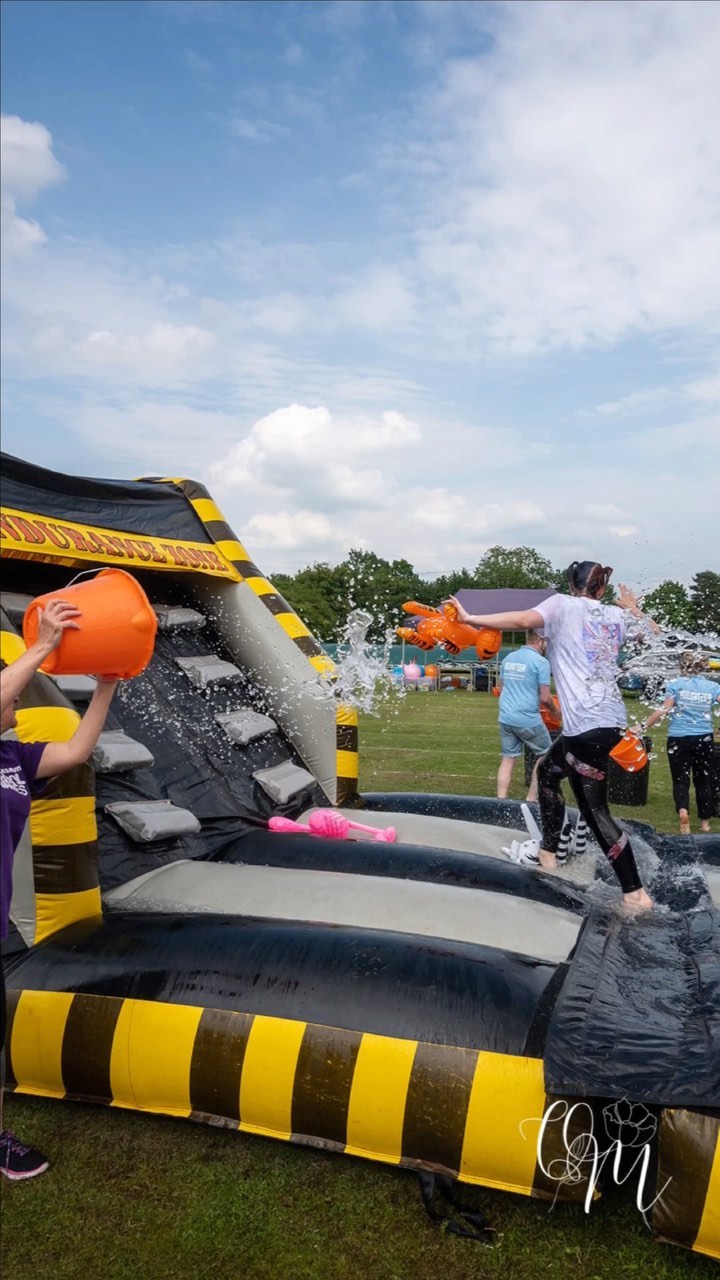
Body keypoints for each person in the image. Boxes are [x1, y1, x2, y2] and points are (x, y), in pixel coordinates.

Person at [448, 561, 658, 912]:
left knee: (596, 812)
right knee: (548, 771)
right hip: (608, 722)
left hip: (586, 728)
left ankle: (635, 894)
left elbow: (521, 620)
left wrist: (471, 620)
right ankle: (548, 852)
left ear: (571, 583)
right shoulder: (612, 615)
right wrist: (632, 609)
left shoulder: (563, 604)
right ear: (602, 589)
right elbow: (653, 634)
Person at [1, 599, 118, 1179]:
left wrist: (104, 687)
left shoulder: (14, 757)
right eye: (13, 694)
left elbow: (75, 752)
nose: (18, 701)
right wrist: (43, 646)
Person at [639, 651, 720, 835]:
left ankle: (683, 813)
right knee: (703, 781)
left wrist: (642, 725)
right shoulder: (712, 687)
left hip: (679, 738)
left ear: (682, 667)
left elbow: (664, 710)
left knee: (680, 781)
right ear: (703, 667)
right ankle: (705, 823)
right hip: (704, 738)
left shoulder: (675, 685)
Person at [496, 630, 557, 803]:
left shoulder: (509, 658)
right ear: (540, 641)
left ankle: (501, 800)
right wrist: (555, 711)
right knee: (546, 756)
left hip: (506, 716)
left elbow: (502, 686)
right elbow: (545, 697)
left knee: (508, 759)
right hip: (527, 718)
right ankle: (531, 798)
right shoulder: (541, 662)